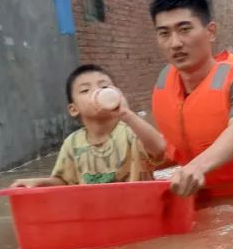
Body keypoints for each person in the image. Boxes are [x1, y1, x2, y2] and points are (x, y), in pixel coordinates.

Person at [150, 0, 233, 198]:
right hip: (193, 198)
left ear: (211, 31)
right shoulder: (164, 81)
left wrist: (196, 167)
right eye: (164, 33)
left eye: (184, 29)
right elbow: (165, 151)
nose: (175, 43)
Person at [11, 64, 166, 187]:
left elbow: (160, 148)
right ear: (73, 109)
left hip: (138, 211)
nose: (97, 92)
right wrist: (41, 183)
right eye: (85, 90)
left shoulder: (132, 131)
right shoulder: (72, 143)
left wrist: (127, 114)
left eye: (104, 87)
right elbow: (65, 183)